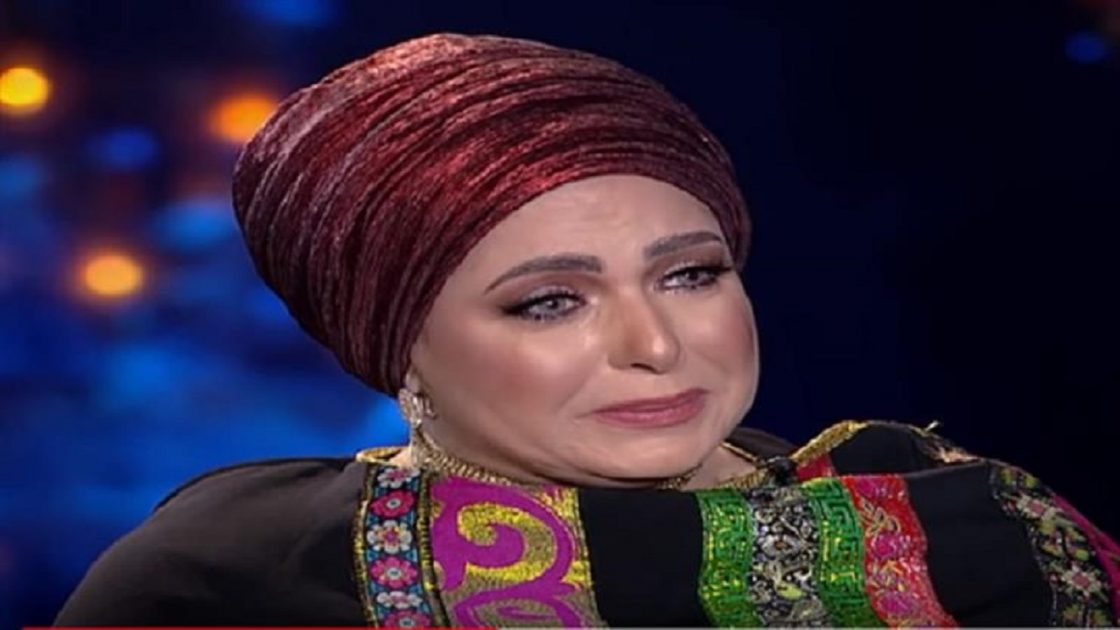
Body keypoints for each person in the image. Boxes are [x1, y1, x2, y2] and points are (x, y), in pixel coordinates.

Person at [56, 32, 1120, 627]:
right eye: (549, 301)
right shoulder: (239, 577)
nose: (653, 344)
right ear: (395, 344)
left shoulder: (976, 528)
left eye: (691, 275)